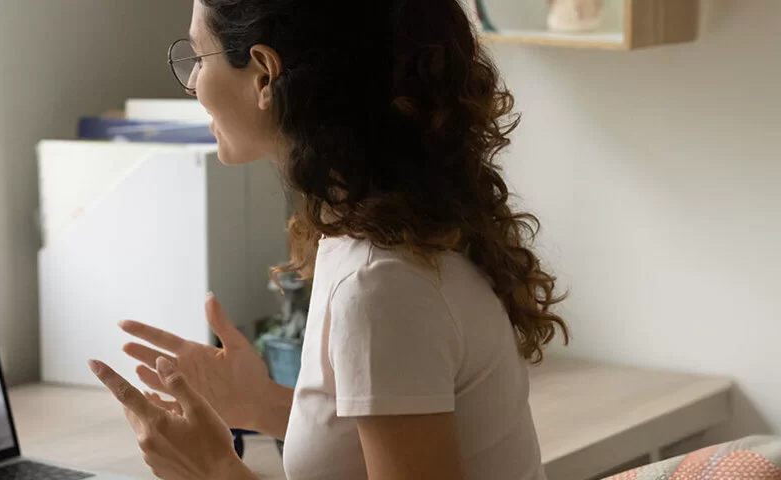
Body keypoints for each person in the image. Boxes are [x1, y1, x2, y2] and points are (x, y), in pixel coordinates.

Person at [87, 0, 569, 479]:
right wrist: (263, 405)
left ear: (263, 75)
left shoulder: (380, 282)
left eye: (197, 57)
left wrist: (213, 469)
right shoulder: (391, 233)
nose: (192, 84)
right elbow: (377, 442)